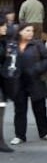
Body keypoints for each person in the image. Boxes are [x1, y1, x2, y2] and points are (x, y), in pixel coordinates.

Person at [10, 23, 47, 145]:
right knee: (20, 110)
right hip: (18, 82)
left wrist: (37, 68)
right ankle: (19, 135)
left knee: (40, 108)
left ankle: (45, 132)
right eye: (27, 30)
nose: (30, 33)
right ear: (20, 32)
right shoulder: (12, 45)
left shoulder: (37, 44)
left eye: (32, 30)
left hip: (35, 80)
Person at [0, 14, 13, 152]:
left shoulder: (3, 41)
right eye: (2, 25)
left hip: (2, 83)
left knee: (1, 109)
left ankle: (1, 140)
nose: (5, 27)